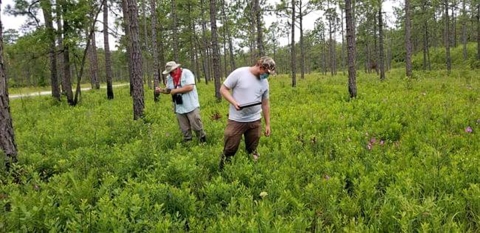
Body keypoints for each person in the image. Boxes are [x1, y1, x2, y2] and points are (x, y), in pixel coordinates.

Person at [219, 56, 276, 169]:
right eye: (267, 72)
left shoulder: (264, 82)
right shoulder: (239, 73)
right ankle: (223, 170)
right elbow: (223, 89)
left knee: (252, 149)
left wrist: (268, 124)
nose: (267, 76)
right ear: (261, 67)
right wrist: (234, 102)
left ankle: (252, 169)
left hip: (255, 120)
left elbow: (265, 104)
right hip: (236, 120)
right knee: (230, 148)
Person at [156, 61, 206, 143]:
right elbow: (169, 90)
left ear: (176, 68)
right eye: (169, 72)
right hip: (179, 106)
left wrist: (176, 91)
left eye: (171, 71)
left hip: (191, 105)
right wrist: (161, 90)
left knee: (196, 125)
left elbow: (190, 87)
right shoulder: (170, 78)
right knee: (184, 128)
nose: (171, 73)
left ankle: (202, 141)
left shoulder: (186, 73)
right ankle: (188, 143)